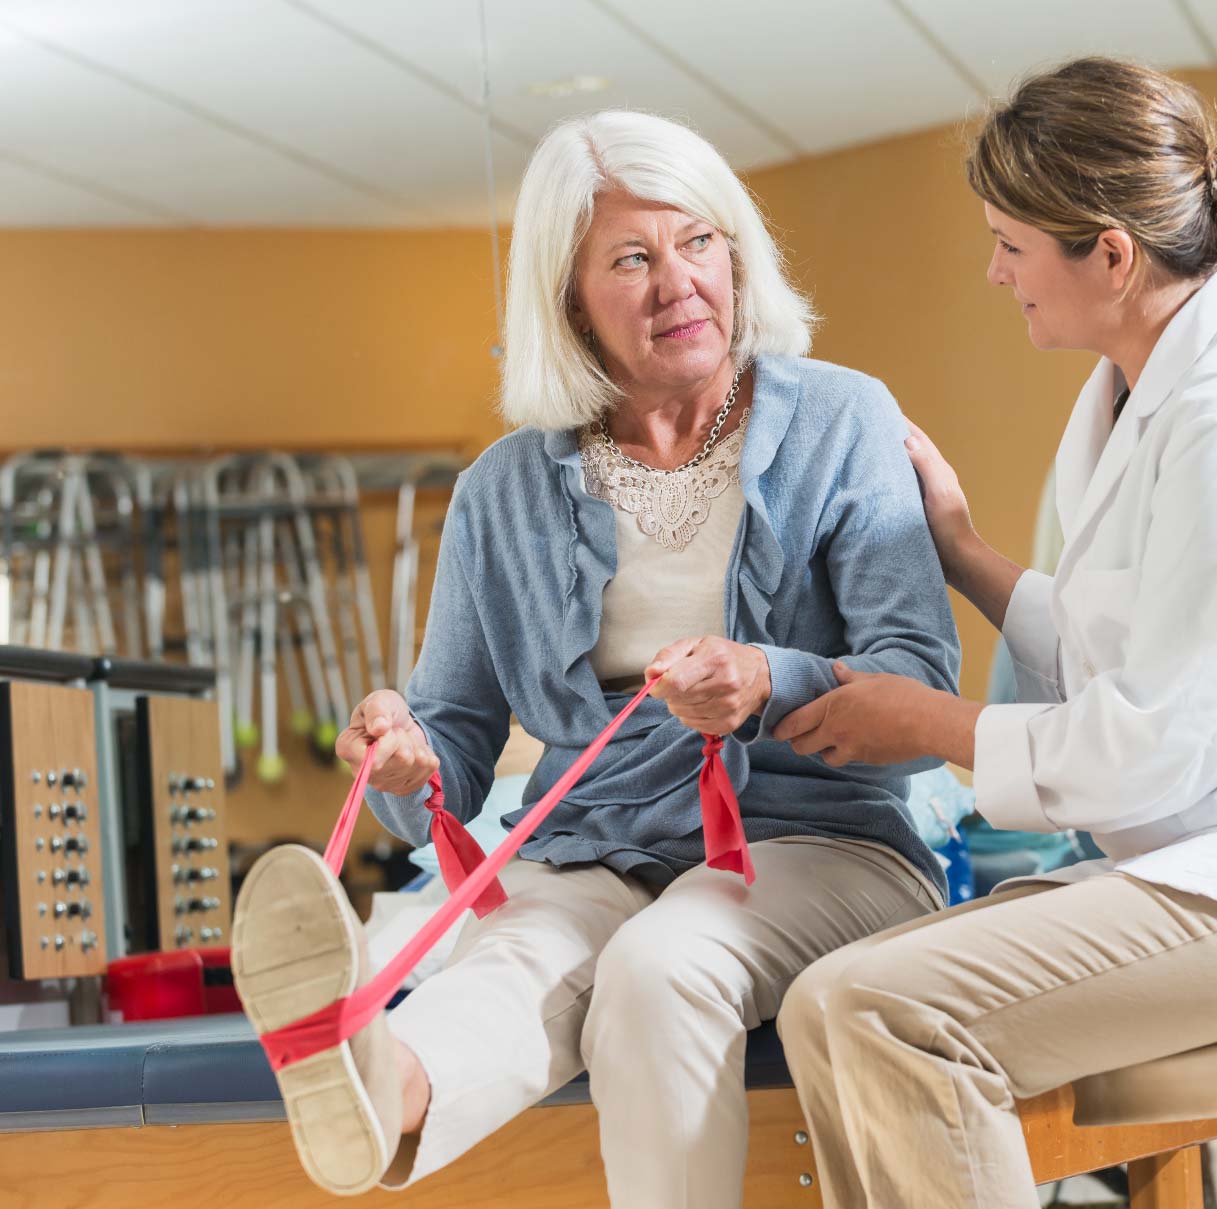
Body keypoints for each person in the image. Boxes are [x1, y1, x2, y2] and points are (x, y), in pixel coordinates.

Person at [771, 57, 1217, 1207]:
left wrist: (931, 721)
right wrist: (963, 551)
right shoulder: (1132, 394)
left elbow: (1157, 735)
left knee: (885, 1009)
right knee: (826, 998)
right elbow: (1135, 641)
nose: (994, 270)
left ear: (1109, 251)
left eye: (1010, 243)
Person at [228, 109, 959, 1205]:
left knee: (662, 969)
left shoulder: (842, 419)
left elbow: (921, 678)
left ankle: (385, 1082)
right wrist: (406, 760)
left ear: (738, 253)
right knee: (519, 957)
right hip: (593, 848)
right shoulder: (502, 492)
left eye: (699, 242)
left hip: (821, 839)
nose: (680, 283)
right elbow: (457, 744)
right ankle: (380, 1083)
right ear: (567, 300)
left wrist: (767, 682)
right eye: (632, 259)